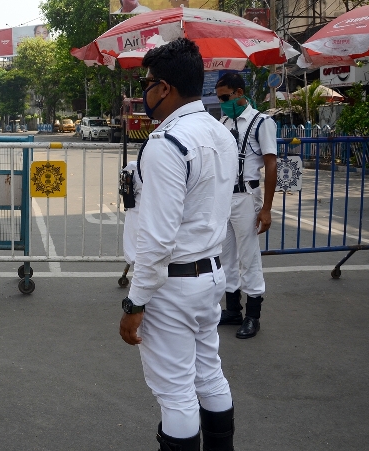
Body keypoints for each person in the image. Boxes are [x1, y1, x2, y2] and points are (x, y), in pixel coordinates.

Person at [118, 38, 237, 450]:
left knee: (176, 395)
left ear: (164, 88)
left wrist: (134, 304)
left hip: (172, 285)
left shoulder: (168, 143)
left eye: (148, 83)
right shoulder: (219, 134)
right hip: (210, 276)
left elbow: (157, 240)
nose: (144, 93)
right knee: (209, 375)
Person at [214, 72, 277, 339]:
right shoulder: (224, 121)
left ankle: (253, 316)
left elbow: (271, 163)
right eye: (219, 99)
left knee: (249, 258)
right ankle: (232, 310)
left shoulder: (261, 122)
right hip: (223, 198)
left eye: (225, 97)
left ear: (239, 93)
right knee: (225, 256)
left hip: (246, 197)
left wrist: (266, 209)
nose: (222, 103)